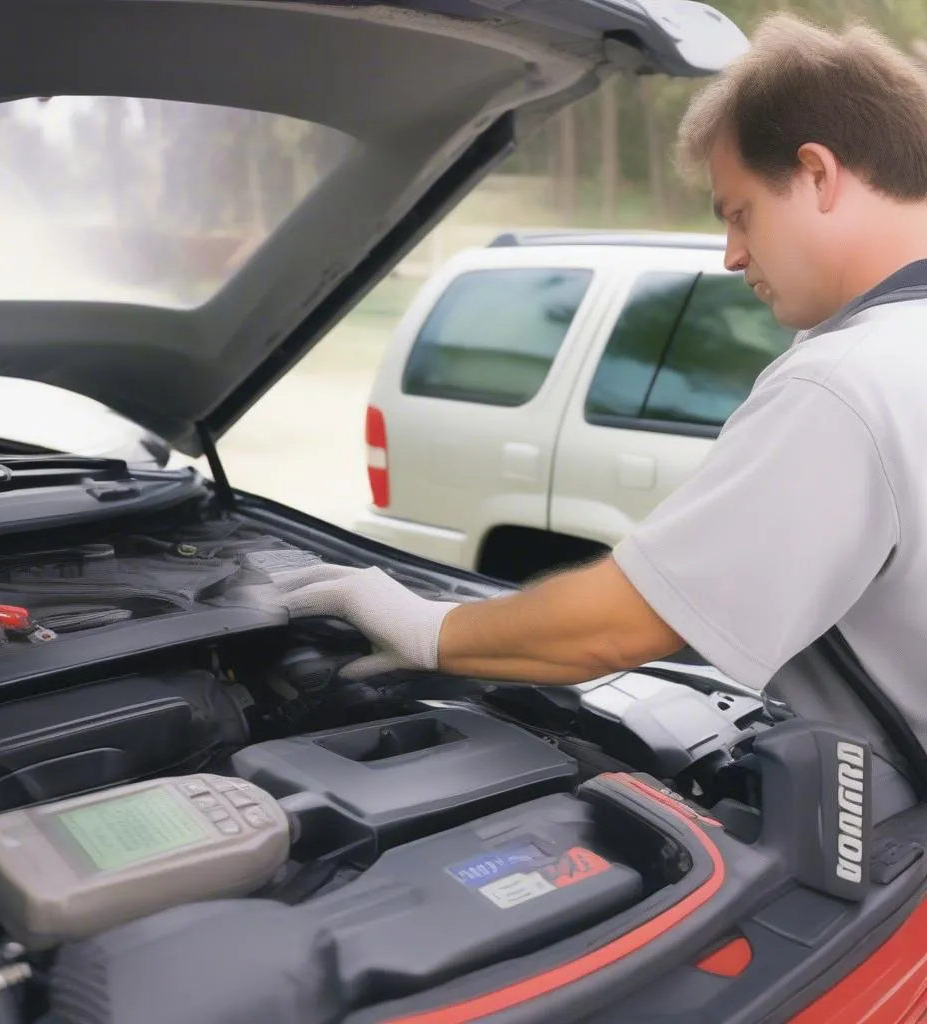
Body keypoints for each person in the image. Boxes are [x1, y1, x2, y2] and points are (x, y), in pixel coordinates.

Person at [273, 14, 927, 770]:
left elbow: (622, 625)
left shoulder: (847, 381)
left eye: (739, 212)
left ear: (817, 173)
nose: (731, 254)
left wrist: (425, 628)